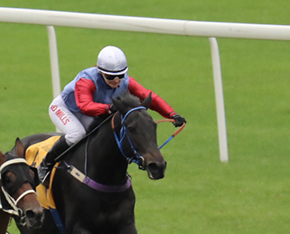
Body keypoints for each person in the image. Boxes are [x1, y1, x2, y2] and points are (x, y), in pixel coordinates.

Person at [38, 44, 184, 184]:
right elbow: (85, 106)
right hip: (66, 109)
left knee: (106, 135)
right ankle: (46, 163)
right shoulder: (86, 80)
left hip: (94, 111)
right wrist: (108, 108)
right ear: (101, 72)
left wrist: (171, 114)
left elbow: (148, 96)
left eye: (120, 75)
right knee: (77, 134)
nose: (116, 80)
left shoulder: (126, 81)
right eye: (110, 77)